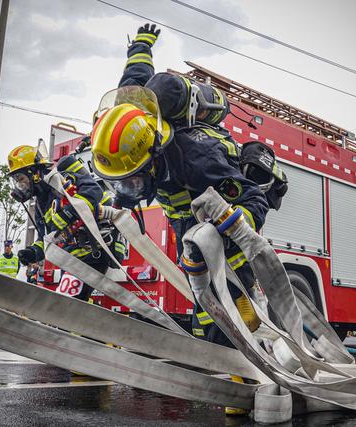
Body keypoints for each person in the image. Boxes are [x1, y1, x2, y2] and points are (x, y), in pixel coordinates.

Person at [91, 23, 269, 415]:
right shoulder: (131, 108)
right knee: (204, 304)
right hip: (188, 226)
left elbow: (255, 198)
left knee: (229, 301)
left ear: (154, 152)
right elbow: (135, 75)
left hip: (218, 234)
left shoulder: (195, 158)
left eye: (137, 177)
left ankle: (245, 377)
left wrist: (237, 222)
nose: (134, 187)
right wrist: (141, 44)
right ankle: (230, 365)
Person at [6, 143, 123, 302]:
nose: (20, 186)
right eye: (16, 181)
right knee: (67, 304)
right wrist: (33, 252)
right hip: (71, 262)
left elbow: (93, 190)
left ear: (34, 174)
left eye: (21, 179)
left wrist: (69, 213)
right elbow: (47, 239)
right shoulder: (40, 206)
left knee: (67, 305)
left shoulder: (60, 181)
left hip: (92, 252)